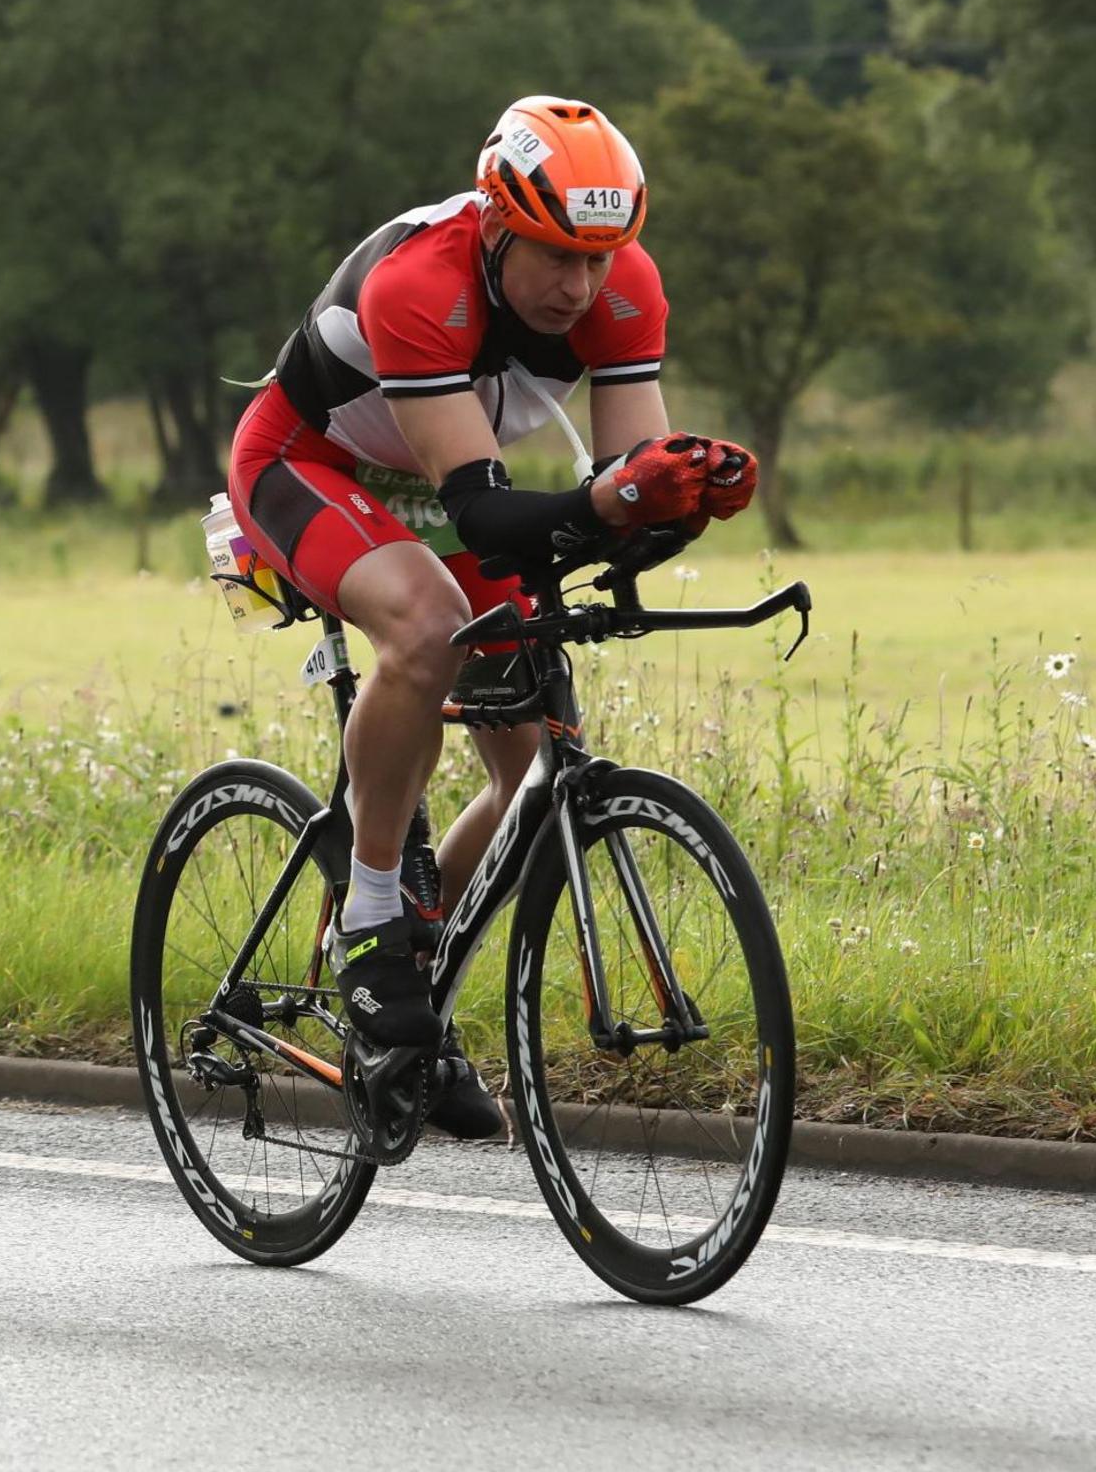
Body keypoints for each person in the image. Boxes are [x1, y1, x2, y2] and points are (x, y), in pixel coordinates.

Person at [226, 96, 757, 1136]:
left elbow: (618, 495)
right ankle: (372, 920)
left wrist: (675, 504)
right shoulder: (422, 283)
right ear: (501, 226)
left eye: (602, 258)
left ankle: (417, 972)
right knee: (427, 625)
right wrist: (612, 502)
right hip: (313, 466)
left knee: (530, 781)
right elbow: (478, 508)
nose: (582, 285)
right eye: (558, 256)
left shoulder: (622, 288)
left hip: (451, 483)